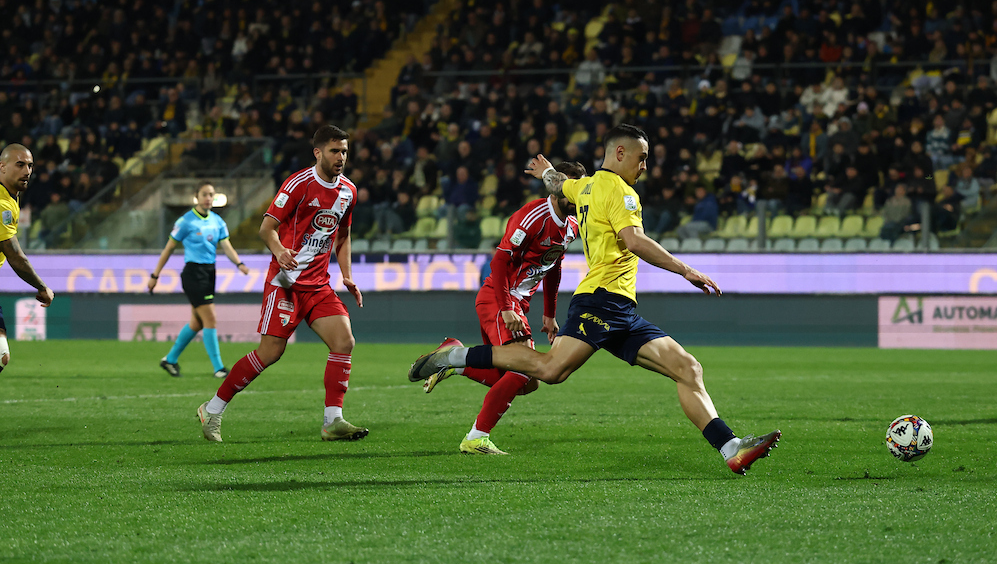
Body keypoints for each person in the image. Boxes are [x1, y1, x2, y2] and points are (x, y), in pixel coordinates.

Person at [408, 124, 781, 474]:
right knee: (549, 371)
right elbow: (634, 240)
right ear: (620, 153)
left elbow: (560, 184)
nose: (645, 166)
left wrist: (546, 171)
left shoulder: (585, 187)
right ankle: (455, 357)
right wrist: (685, 270)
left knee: (688, 368)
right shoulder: (621, 192)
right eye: (641, 158)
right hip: (601, 300)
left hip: (622, 309)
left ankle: (731, 447)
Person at [196, 125, 367, 442]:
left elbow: (343, 235)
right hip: (286, 282)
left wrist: (347, 275)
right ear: (318, 152)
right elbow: (267, 228)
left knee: (344, 341)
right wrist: (279, 250)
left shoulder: (348, 191)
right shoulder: (298, 184)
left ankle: (333, 421)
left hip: (318, 285)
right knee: (270, 352)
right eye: (334, 151)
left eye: (344, 151)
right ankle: (213, 409)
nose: (341, 157)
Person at [424, 161, 586, 454]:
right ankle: (476, 438)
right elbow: (499, 261)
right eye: (571, 187)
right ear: (557, 187)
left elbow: (554, 266)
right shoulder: (533, 216)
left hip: (518, 303)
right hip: (500, 299)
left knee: (527, 382)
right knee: (524, 369)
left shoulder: (572, 226)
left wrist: (549, 314)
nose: (576, 195)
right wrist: (506, 307)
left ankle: (454, 361)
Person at [149, 181, 250, 378]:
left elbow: (226, 246)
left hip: (210, 272)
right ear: (196, 197)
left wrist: (239, 264)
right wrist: (155, 275)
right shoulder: (186, 221)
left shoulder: (217, 221)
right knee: (210, 318)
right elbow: (169, 249)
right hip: (193, 274)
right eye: (204, 194)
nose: (208, 198)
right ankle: (219, 368)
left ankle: (170, 359)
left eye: (211, 194)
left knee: (197, 322)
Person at [0, 144, 54, 372]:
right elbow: (15, 256)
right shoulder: (2, 205)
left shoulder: (11, 197)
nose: (27, 171)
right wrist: (42, 287)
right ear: (2, 167)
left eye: (30, 166)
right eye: (20, 164)